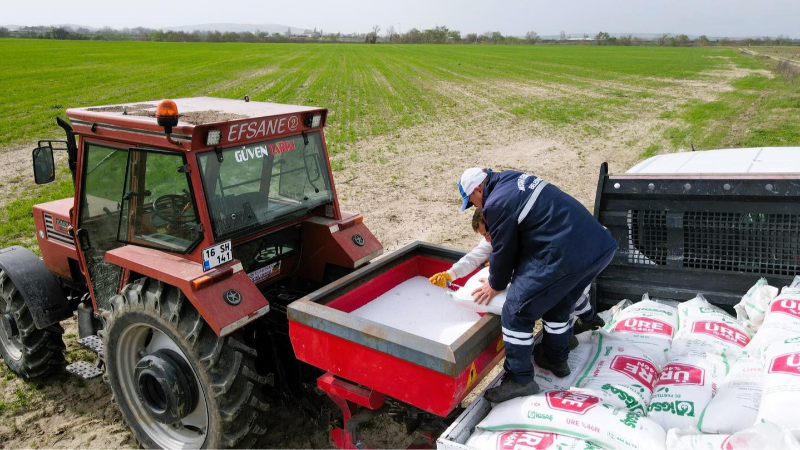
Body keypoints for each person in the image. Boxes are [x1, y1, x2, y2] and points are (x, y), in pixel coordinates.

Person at [458, 167, 617, 403]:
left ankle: (520, 379)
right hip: (599, 246)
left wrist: (496, 284)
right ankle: (556, 357)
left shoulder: (496, 204)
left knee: (515, 311)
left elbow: (504, 250)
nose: (476, 206)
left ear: (478, 189)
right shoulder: (512, 178)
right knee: (558, 300)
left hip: (565, 253)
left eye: (471, 200)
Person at [428, 208, 602, 350]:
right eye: (483, 236)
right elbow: (476, 255)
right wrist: (451, 274)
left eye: (487, 233)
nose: (488, 239)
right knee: (569, 293)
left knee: (561, 297)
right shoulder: (496, 234)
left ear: (495, 223)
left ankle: (567, 339)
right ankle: (589, 318)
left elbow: (534, 265)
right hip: (573, 260)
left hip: (572, 259)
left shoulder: (522, 231)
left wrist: (501, 277)